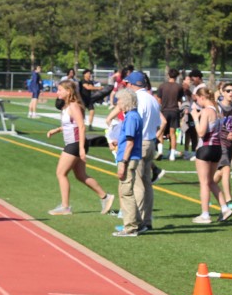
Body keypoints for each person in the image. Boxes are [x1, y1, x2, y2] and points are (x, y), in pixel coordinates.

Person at [45, 79, 115, 216]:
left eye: (60, 90)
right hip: (74, 143)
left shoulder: (74, 106)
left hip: (75, 144)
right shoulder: (67, 106)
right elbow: (71, 125)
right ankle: (105, 197)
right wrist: (57, 130)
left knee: (61, 173)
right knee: (81, 176)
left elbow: (81, 126)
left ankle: (65, 207)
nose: (57, 92)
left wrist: (82, 149)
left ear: (68, 91)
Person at [127, 71, 162, 232]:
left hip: (140, 143)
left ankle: (139, 222)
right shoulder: (152, 99)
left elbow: (135, 123)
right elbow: (158, 123)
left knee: (138, 184)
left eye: (128, 83)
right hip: (151, 141)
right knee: (147, 183)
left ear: (132, 84)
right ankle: (147, 220)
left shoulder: (138, 99)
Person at [191, 87, 231, 224]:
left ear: (202, 97)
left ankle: (205, 214)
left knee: (204, 183)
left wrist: (195, 118)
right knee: (211, 181)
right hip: (217, 148)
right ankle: (225, 208)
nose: (197, 102)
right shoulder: (217, 110)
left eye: (197, 99)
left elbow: (201, 133)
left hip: (206, 148)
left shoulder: (207, 111)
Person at [112, 89, 144, 237]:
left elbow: (130, 142)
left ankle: (130, 227)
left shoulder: (131, 117)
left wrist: (123, 162)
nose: (117, 103)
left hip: (128, 158)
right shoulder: (134, 115)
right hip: (132, 156)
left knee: (126, 192)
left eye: (119, 100)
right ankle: (137, 223)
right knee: (127, 191)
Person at [212, 82, 232, 208]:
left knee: (220, 173)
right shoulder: (217, 107)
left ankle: (208, 187)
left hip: (229, 143)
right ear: (222, 92)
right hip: (219, 142)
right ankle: (228, 200)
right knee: (226, 168)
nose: (231, 93)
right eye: (228, 91)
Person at [155, 68, 185, 161]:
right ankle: (172, 155)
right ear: (177, 76)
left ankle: (160, 151)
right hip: (174, 111)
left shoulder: (162, 86)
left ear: (168, 75)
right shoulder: (179, 87)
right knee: (172, 133)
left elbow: (159, 100)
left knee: (161, 132)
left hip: (164, 111)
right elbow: (180, 100)